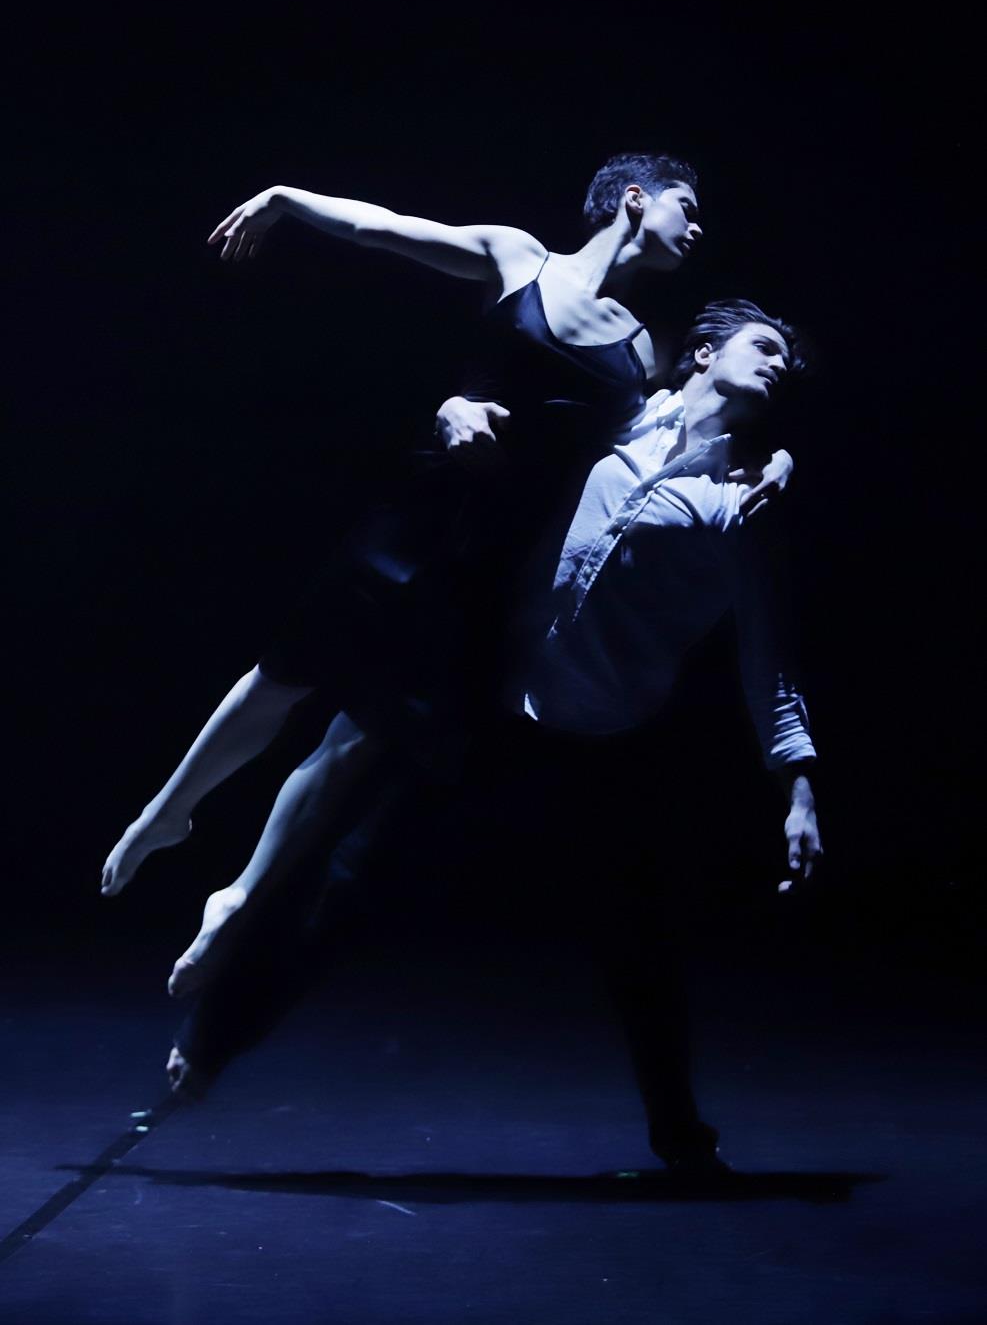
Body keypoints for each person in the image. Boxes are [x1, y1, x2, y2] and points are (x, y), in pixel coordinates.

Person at [164, 300, 820, 1174]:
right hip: (495, 705)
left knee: (639, 944)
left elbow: (769, 651)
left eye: (787, 363)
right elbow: (506, 395)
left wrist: (796, 785)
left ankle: (681, 1136)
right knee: (350, 879)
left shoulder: (749, 495)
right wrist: (453, 406)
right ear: (701, 352)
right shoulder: (613, 420)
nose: (779, 365)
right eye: (762, 346)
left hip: (603, 739)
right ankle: (215, 1038)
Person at [100, 157, 792, 940]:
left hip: (488, 562)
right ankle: (166, 814)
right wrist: (287, 199)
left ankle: (240, 893)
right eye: (684, 205)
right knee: (283, 676)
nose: (696, 225)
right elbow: (385, 229)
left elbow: (683, 433)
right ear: (634, 199)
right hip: (415, 517)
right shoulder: (519, 257)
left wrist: (773, 457)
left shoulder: (642, 349)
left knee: (359, 732)